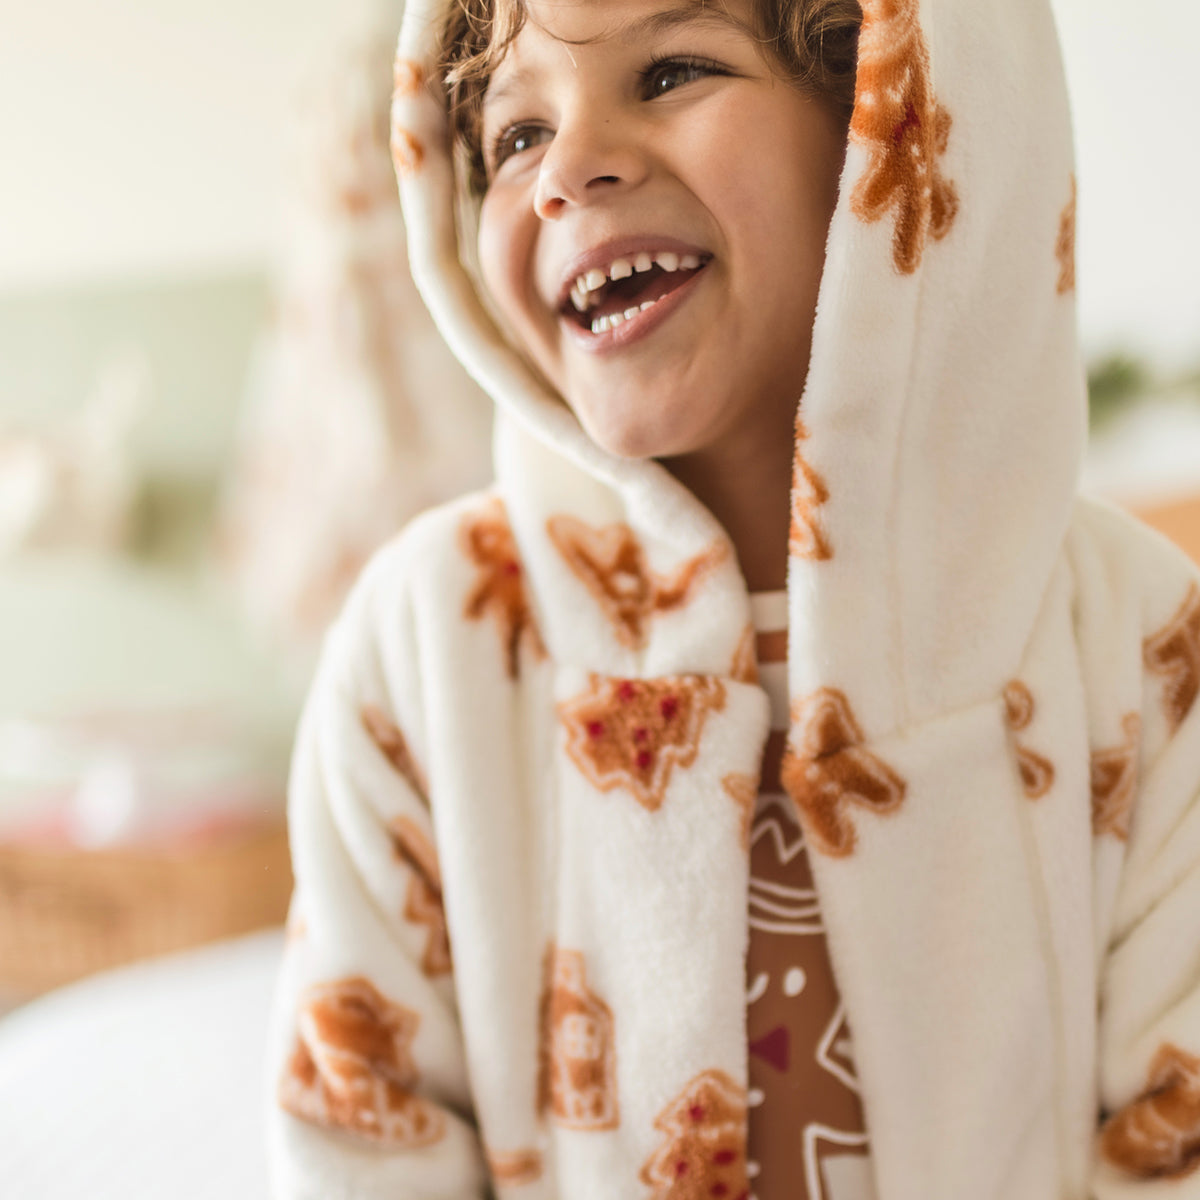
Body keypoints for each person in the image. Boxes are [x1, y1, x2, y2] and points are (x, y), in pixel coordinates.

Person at [265, 0, 1200, 1195]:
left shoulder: (1136, 636)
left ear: (893, 123)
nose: (567, 169)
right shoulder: (430, 643)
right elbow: (358, 1133)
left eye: (672, 70)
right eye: (512, 137)